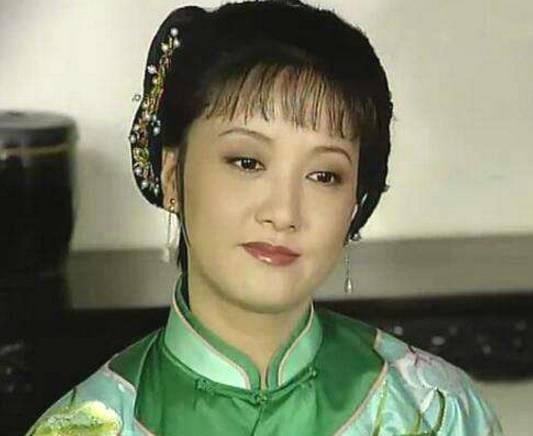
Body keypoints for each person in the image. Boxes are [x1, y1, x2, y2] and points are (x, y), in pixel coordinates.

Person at [27, 1, 503, 435]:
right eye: (247, 162)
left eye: (324, 175)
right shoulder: (86, 427)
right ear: (173, 176)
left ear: (356, 205)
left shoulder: (437, 414)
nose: (283, 213)